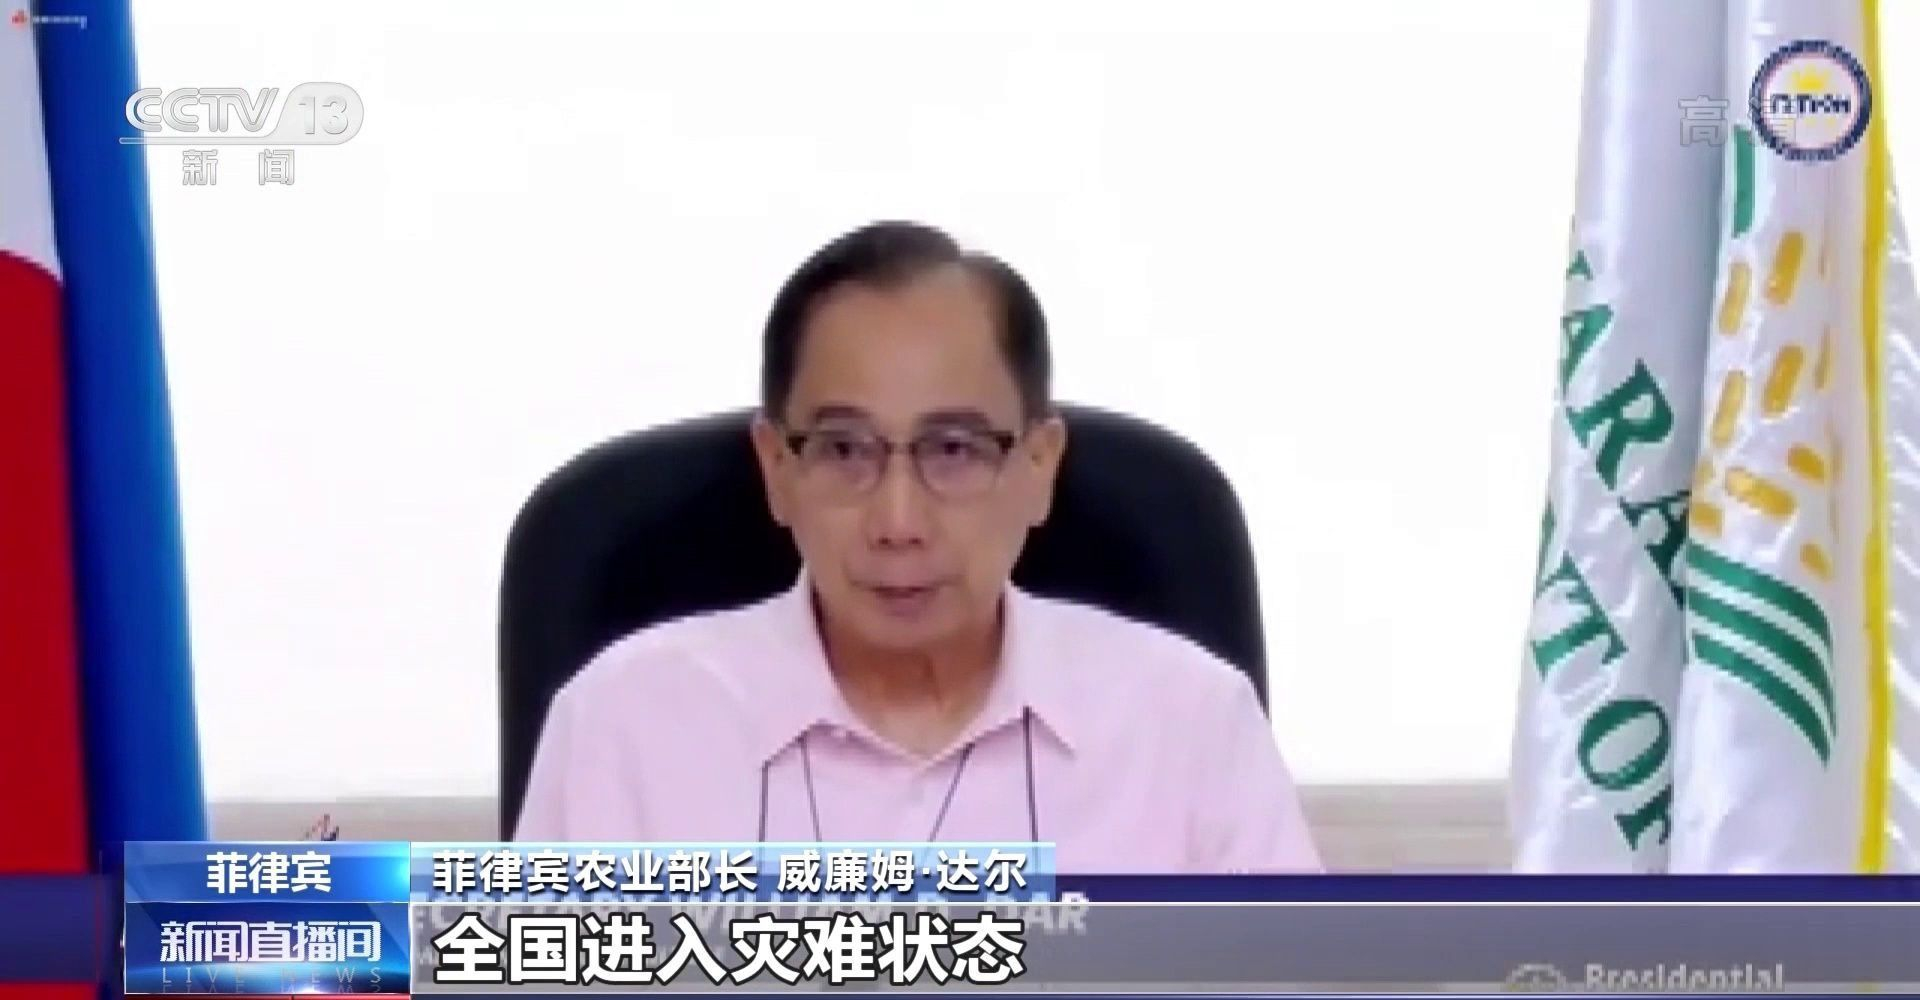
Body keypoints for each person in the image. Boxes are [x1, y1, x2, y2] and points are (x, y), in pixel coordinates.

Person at [513, 221, 1321, 872]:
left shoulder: (1188, 725)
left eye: (954, 450)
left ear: (1039, 467)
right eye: (843, 450)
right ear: (777, 468)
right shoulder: (623, 727)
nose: (898, 521)